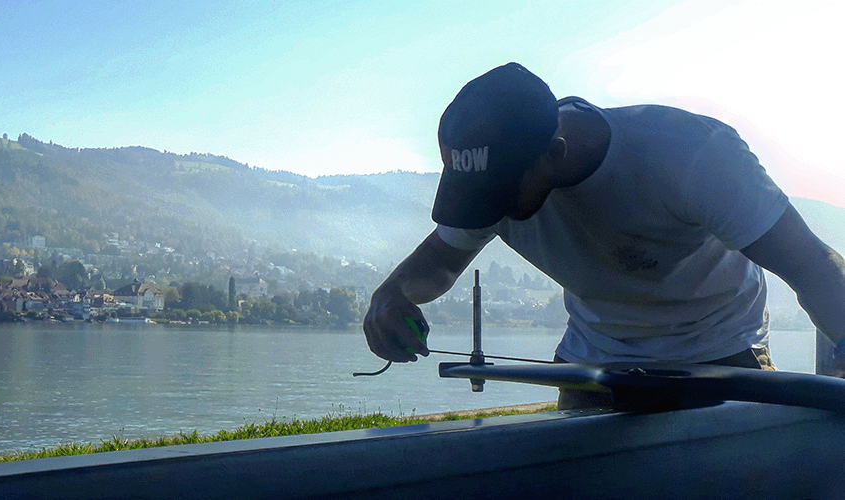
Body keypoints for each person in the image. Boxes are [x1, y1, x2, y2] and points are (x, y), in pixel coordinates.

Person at [362, 62, 845, 409]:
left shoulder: (691, 154)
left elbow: (812, 267)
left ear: (555, 152)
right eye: (475, 195)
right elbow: (438, 265)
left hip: (723, 354)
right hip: (592, 363)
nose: (487, 211)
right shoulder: (491, 179)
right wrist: (390, 297)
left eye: (501, 194)